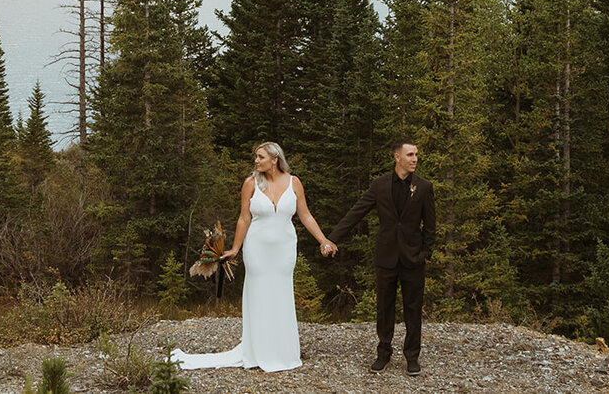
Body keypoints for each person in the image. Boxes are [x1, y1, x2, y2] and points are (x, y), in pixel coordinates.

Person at [171, 141, 337, 372]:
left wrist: (323, 240)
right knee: (259, 295)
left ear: (274, 159)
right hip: (257, 248)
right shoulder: (250, 184)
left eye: (260, 157)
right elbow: (244, 218)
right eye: (256, 157)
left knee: (281, 294)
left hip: (285, 249)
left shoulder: (294, 182)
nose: (256, 161)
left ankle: (283, 351)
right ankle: (258, 350)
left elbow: (305, 215)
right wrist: (236, 248)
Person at [328, 140, 435, 376]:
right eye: (410, 154)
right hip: (386, 256)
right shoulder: (380, 185)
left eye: (416, 154)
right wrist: (332, 239)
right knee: (384, 307)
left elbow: (430, 225)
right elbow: (357, 211)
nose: (415, 158)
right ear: (397, 157)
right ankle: (383, 353)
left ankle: (412, 356)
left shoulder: (424, 187)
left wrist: (426, 254)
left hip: (413, 258)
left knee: (413, 308)